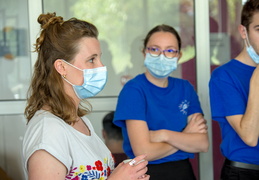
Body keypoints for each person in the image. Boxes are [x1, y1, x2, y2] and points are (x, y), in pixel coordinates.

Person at [22, 12, 149, 180]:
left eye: (100, 58)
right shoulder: (48, 130)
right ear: (62, 67)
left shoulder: (81, 122)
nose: (102, 66)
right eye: (92, 59)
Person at [113, 24, 209, 180]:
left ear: (179, 56)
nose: (162, 56)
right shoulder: (134, 90)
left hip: (183, 171)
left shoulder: (185, 88)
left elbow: (202, 143)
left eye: (170, 50)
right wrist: (184, 137)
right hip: (147, 173)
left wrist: (163, 135)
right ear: (145, 53)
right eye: (155, 49)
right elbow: (144, 151)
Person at [209, 0, 259, 179]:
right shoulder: (223, 76)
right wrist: (256, 82)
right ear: (243, 31)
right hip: (245, 172)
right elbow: (249, 137)